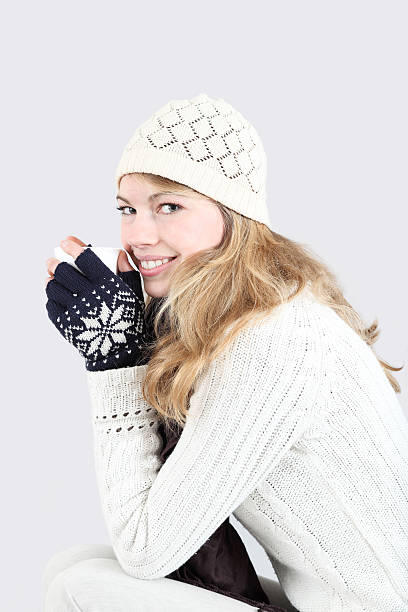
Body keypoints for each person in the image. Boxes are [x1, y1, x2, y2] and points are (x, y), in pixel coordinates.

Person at [43, 93, 408, 612]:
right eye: (127, 209)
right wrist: (128, 335)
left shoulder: (273, 342)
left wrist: (115, 361)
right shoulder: (242, 315)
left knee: (78, 589)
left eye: (169, 206)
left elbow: (146, 550)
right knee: (75, 564)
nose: (138, 234)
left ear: (233, 215)